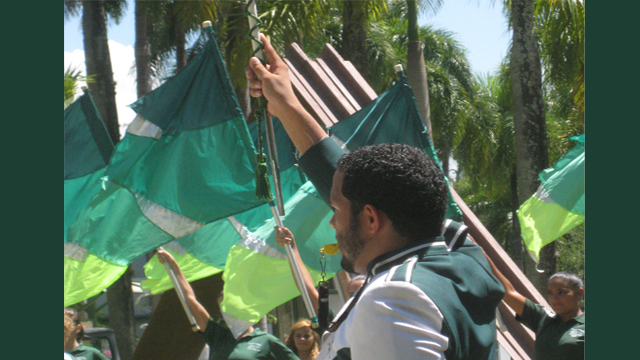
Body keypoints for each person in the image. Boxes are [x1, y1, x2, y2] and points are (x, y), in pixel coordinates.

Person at [247, 34, 505, 360]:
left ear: (371, 219)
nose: (331, 220)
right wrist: (286, 105)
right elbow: (357, 182)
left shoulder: (394, 298)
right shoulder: (465, 258)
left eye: (337, 209)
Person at [156, 247, 300, 360]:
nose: (225, 310)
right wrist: (174, 267)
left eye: (229, 304)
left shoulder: (265, 341)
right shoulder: (217, 336)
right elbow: (189, 299)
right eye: (222, 306)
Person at [478, 245, 585, 359]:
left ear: (579, 293)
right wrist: (480, 253)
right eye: (550, 293)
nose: (554, 298)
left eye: (561, 292)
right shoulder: (543, 320)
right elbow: (509, 293)